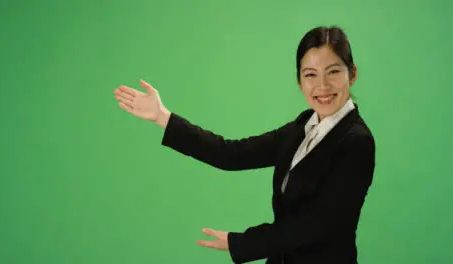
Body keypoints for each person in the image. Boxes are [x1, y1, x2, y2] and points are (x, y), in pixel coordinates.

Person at [113, 26, 376, 264]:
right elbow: (232, 154)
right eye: (310, 74)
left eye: (333, 72)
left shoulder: (356, 142)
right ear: (299, 81)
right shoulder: (304, 126)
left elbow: (316, 224)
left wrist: (239, 243)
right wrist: (163, 117)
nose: (322, 86)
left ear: (352, 75)